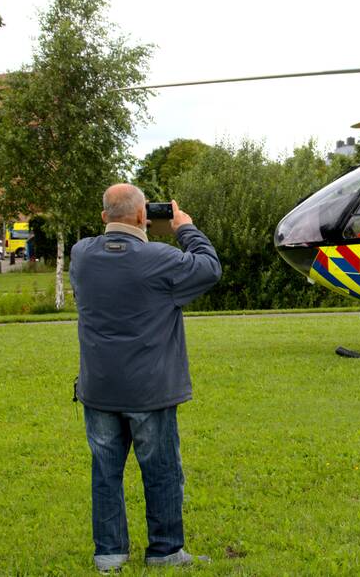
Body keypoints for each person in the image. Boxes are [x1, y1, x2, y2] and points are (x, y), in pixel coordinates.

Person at [69, 184, 222, 573]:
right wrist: (184, 227)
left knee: (105, 473)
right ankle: (165, 550)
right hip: (150, 389)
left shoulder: (81, 256)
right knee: (161, 471)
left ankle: (109, 554)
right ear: (143, 217)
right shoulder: (161, 259)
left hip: (99, 386)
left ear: (104, 217)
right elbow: (209, 267)